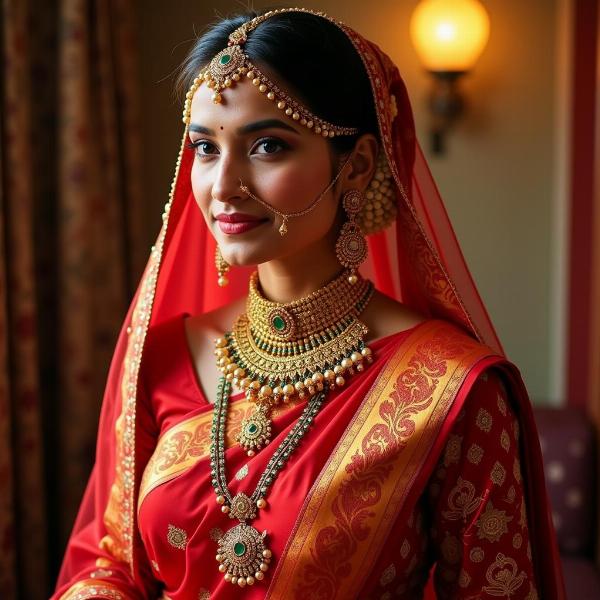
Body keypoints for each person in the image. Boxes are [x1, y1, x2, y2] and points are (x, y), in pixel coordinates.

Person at [52, 8, 566, 600]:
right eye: (205, 148)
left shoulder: (453, 392)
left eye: (268, 145)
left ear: (359, 165)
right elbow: (111, 562)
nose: (222, 187)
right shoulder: (160, 357)